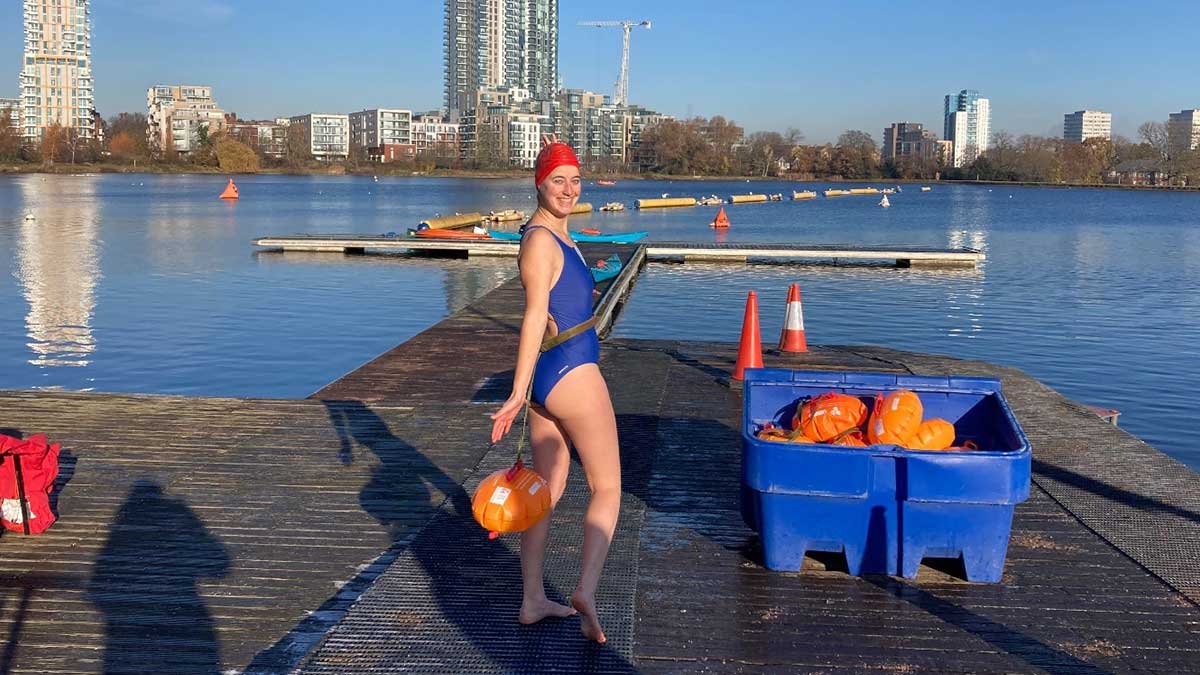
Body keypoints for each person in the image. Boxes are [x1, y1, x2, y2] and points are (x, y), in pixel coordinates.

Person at [490, 136, 621, 644]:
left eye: (574, 179)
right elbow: (530, 318)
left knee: (547, 488)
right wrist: (517, 392)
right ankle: (586, 589)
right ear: (538, 184)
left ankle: (531, 600)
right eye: (556, 180)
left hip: (556, 373)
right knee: (608, 486)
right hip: (571, 371)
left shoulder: (558, 234)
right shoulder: (541, 241)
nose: (567, 189)